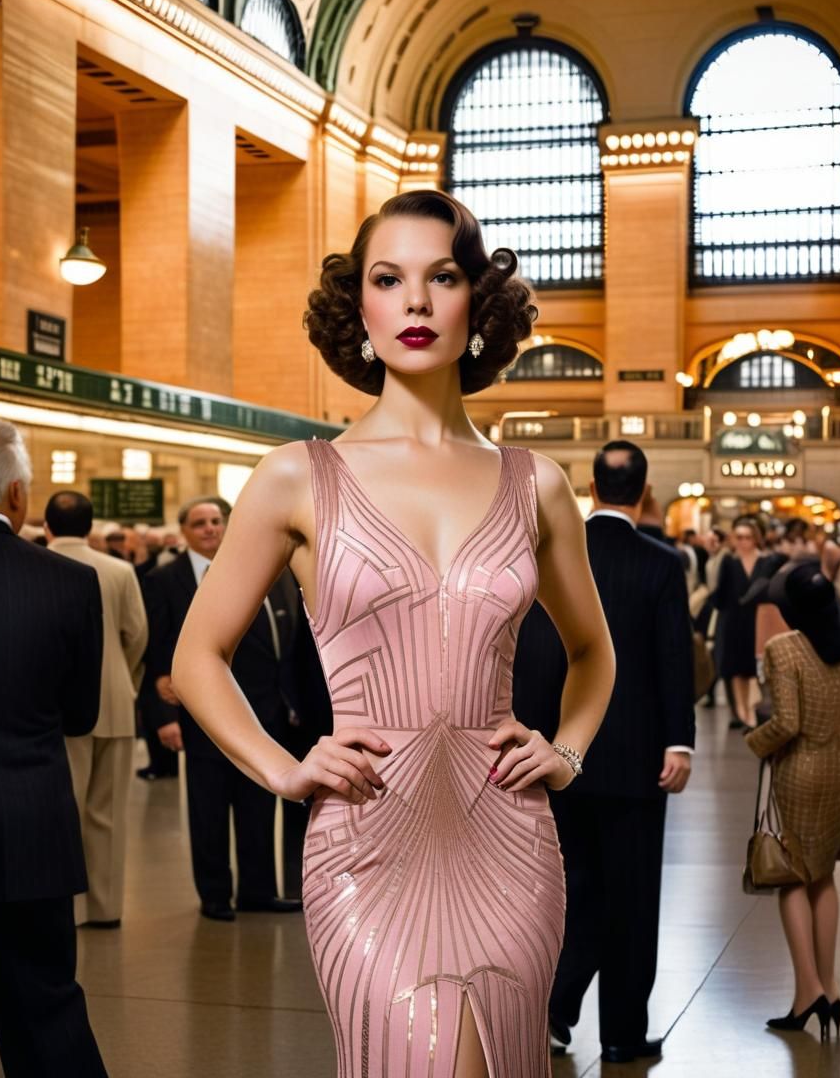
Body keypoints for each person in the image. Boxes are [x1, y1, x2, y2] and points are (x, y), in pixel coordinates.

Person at [172, 189, 615, 1078]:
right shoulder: (298, 477)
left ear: (475, 305)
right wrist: (283, 769)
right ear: (361, 310)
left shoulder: (538, 485)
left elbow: (593, 652)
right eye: (389, 278)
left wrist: (566, 752)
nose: (415, 300)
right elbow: (196, 657)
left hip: (511, 839)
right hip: (365, 839)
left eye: (441, 276)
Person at [546, 440, 695, 1064]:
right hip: (637, 761)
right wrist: (678, 741)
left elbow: (539, 655)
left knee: (569, 889)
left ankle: (552, 1011)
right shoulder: (660, 562)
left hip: (561, 754)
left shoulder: (554, 553)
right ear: (645, 489)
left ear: (590, 485)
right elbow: (672, 658)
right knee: (631, 898)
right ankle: (623, 1035)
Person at [0, 419, 108, 1077]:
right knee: (47, 1022)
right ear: (19, 496)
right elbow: (81, 716)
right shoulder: (68, 583)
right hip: (31, 835)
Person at [142, 497, 301, 920]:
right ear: (185, 531)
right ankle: (214, 893)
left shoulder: (261, 572)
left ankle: (258, 889)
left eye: (216, 521)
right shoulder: (165, 580)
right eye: (200, 523)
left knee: (259, 804)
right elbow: (156, 653)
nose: (210, 528)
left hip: (263, 712)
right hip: (201, 714)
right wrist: (163, 717)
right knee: (208, 808)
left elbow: (283, 643)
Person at [745, 560, 840, 1039]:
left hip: (800, 769)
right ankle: (830, 988)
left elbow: (787, 723)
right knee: (825, 873)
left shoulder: (783, 650)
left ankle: (806, 991)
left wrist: (754, 741)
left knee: (793, 876)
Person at [45, 490, 148, 929]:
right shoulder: (120, 570)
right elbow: (137, 634)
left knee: (62, 808)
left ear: (47, 526)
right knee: (106, 811)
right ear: (91, 528)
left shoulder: (37, 564)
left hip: (56, 707)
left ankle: (68, 907)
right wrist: (121, 679)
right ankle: (107, 908)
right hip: (114, 702)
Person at [712, 517, 773, 728]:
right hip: (733, 619)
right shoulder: (729, 562)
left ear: (756, 539)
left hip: (757, 620)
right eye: (739, 537)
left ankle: (752, 709)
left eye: (748, 537)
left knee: (754, 668)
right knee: (736, 668)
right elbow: (719, 594)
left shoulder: (766, 562)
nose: (744, 542)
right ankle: (741, 711)